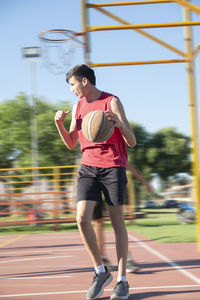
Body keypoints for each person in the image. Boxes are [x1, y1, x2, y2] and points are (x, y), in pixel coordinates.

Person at [54, 64, 136, 300]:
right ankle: (100, 272)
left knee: (117, 222)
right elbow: (71, 143)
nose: (72, 90)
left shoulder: (112, 102)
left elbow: (132, 141)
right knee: (81, 218)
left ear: (84, 81)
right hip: (88, 167)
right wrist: (59, 123)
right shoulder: (78, 106)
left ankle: (122, 281)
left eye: (73, 84)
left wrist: (119, 124)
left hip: (113, 167)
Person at [92, 163, 153, 274]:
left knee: (117, 221)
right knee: (98, 222)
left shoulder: (115, 150)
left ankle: (126, 259)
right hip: (93, 180)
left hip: (112, 179)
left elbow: (128, 163)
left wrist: (144, 182)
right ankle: (103, 258)